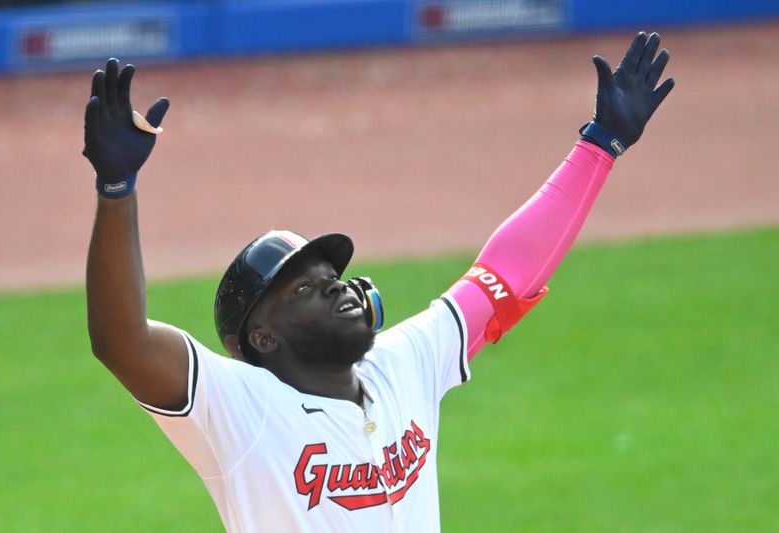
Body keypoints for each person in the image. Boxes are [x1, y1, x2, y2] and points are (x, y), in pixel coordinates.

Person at [83, 32, 674, 532]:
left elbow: (504, 274)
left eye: (332, 275)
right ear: (263, 338)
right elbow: (122, 341)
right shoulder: (240, 409)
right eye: (306, 288)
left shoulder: (404, 365)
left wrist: (600, 145)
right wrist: (117, 189)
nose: (338, 286)